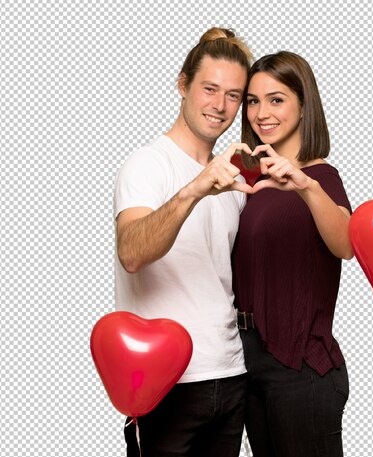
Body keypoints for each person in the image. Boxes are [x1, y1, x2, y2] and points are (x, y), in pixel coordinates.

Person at [113, 28, 254, 457]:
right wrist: (195, 188)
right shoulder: (146, 163)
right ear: (183, 85)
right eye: (209, 89)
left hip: (229, 375)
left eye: (233, 95)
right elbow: (132, 253)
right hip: (166, 381)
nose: (220, 106)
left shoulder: (233, 177)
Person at [232, 51, 353, 457]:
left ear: (304, 107)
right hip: (250, 359)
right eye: (252, 100)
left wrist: (305, 185)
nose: (261, 113)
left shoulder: (320, 177)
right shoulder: (253, 181)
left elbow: (347, 244)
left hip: (301, 368)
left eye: (276, 99)